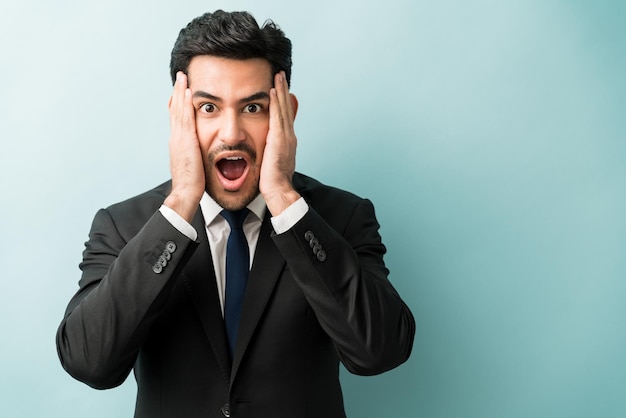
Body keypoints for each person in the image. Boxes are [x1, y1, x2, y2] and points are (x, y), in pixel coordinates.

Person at [56, 10, 415, 418]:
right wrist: (179, 205)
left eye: (253, 108)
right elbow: (89, 362)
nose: (231, 133)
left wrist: (282, 195)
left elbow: (380, 352)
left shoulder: (343, 217)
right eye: (208, 108)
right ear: (179, 114)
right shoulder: (124, 226)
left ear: (286, 112)